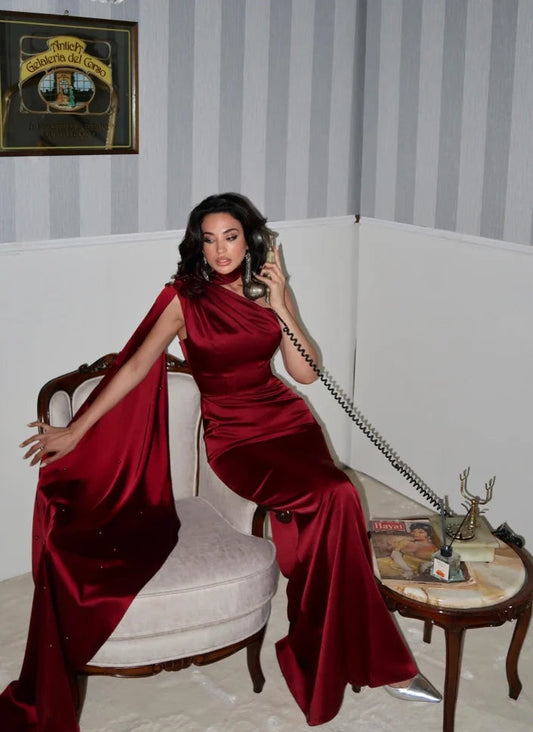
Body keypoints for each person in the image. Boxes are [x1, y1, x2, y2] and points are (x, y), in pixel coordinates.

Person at [1, 193, 441, 730]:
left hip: (288, 422)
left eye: (230, 237)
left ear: (251, 240)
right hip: (235, 441)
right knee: (337, 495)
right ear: (198, 246)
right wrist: (78, 428)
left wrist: (282, 302)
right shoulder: (183, 299)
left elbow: (305, 373)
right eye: (209, 240)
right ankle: (374, 659)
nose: (220, 250)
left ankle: (337, 647)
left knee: (340, 499)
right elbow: (136, 366)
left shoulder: (265, 290)